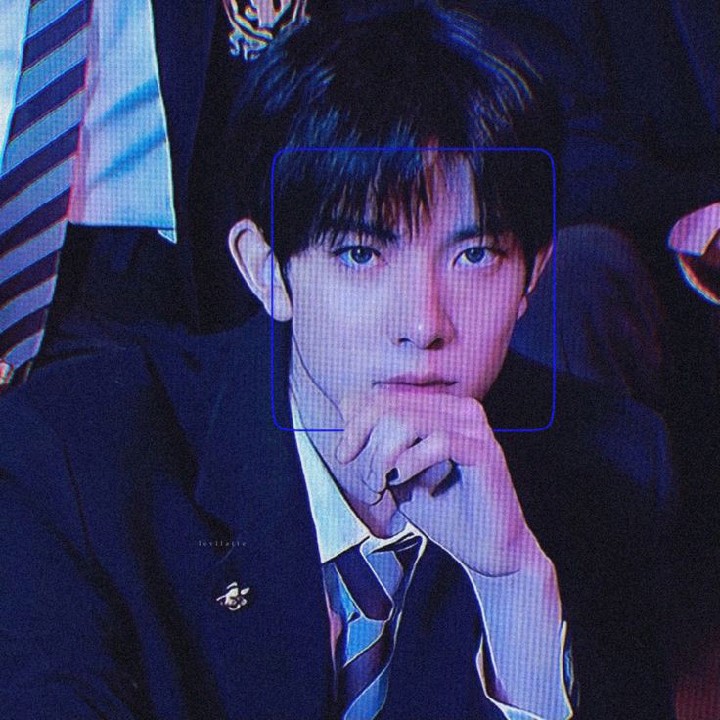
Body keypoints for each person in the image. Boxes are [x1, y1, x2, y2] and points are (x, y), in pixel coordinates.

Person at [0, 5, 674, 719]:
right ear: (266, 270)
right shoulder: (74, 459)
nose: (423, 324)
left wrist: (515, 590)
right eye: (361, 254)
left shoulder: (615, 470)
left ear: (532, 275)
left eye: (474, 256)